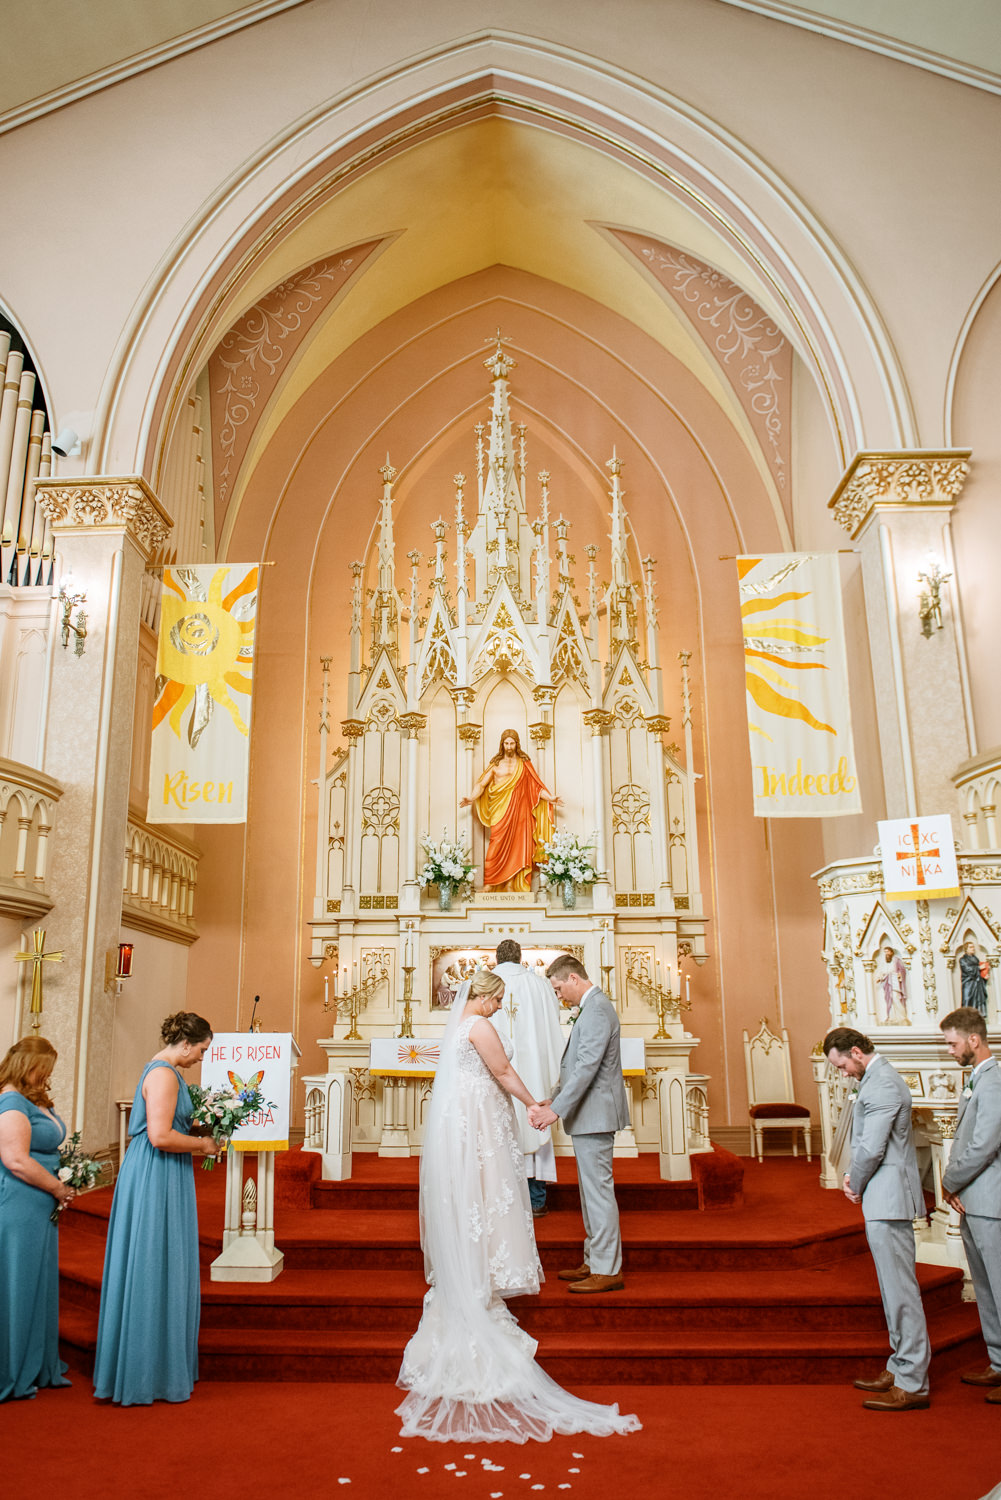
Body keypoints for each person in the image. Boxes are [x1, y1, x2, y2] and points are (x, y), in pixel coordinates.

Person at [397, 969, 639, 1443]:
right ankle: (492, 1270)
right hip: (482, 1120)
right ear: (484, 997)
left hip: (465, 1120)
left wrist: (546, 1105)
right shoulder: (480, 1026)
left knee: (474, 1196)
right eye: (499, 1000)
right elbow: (503, 1071)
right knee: (486, 1192)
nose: (500, 1007)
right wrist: (536, 1105)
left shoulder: (458, 1026)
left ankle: (493, 1265)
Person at [93, 1011, 217, 1405]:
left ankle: (157, 1363)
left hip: (162, 1172)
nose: (201, 1056)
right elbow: (161, 1136)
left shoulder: (169, 1071)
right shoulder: (163, 1074)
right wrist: (203, 1145)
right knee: (152, 1259)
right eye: (201, 1049)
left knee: (162, 1260)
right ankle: (146, 1370)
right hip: (154, 1172)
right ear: (185, 1043)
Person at [823, 1026, 930, 1411]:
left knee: (902, 1292)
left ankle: (914, 1382)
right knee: (891, 1290)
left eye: (842, 1065)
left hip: (889, 1198)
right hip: (880, 1197)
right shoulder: (873, 1079)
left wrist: (854, 1179)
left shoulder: (883, 1083)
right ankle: (899, 1365)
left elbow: (872, 1145)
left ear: (856, 1051)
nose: (843, 1073)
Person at [530, 955, 630, 1295]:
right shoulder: (592, 1008)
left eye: (559, 989)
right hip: (589, 1114)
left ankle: (607, 1269)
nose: (560, 997)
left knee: (598, 1193)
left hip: (596, 1114)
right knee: (590, 1194)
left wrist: (555, 1110)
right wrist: (552, 1097)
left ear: (573, 978)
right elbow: (577, 1066)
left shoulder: (598, 1009)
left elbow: (588, 1067)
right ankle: (595, 1259)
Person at [0, 1036, 76, 1402]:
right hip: (21, 1202)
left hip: (38, 1202)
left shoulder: (31, 1099)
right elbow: (16, 1159)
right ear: (26, 1066)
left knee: (37, 1281)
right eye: (43, 1071)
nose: (46, 1078)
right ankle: (13, 1367)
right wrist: (59, 1188)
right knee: (18, 1282)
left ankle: (37, 1359)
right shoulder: (11, 1102)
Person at [938, 1006, 1001, 1402]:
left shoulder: (994, 1082)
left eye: (952, 1043)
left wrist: (948, 1181)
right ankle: (998, 1363)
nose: (949, 1051)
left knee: (999, 1285)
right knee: (985, 1287)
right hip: (973, 1200)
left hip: (991, 1200)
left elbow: (984, 1144)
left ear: (973, 1040)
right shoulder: (975, 1079)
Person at [490, 939, 565, 1218]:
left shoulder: (485, 983)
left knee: (498, 1126)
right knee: (534, 1122)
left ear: (497, 957)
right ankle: (536, 1199)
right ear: (520, 957)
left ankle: (501, 1199)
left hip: (495, 1070)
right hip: (532, 1072)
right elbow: (552, 1021)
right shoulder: (538, 984)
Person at [461, 729, 557, 891]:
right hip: (499, 810)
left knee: (518, 846)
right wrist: (471, 798)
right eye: (506, 743)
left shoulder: (524, 764)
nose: (509, 747)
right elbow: (482, 784)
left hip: (520, 811)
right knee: (496, 844)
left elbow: (536, 787)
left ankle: (512, 884)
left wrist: (550, 798)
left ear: (517, 744)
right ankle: (490, 883)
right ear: (502, 744)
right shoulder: (495, 764)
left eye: (512, 743)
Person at [876, 945, 909, 1025]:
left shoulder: (896, 960)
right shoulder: (885, 962)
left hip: (894, 982)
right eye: (885, 952)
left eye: (887, 951)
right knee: (889, 999)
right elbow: (883, 971)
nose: (886, 953)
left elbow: (902, 970)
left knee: (896, 998)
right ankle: (892, 1017)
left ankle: (902, 1017)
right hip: (887, 982)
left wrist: (899, 975)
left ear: (891, 952)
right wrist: (879, 977)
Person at [959, 942, 989, 1016]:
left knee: (979, 1001)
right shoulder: (963, 960)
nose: (973, 949)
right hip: (968, 983)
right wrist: (979, 968)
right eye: (971, 947)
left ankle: (979, 1016)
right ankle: (967, 1018)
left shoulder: (976, 959)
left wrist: (984, 977)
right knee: (967, 1000)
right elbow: (968, 969)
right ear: (966, 949)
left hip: (977, 984)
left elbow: (979, 973)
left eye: (973, 947)